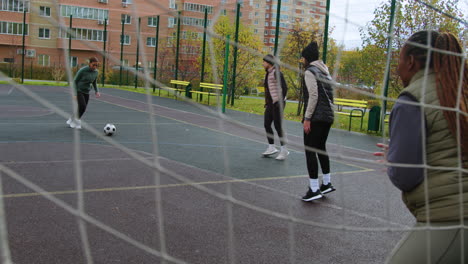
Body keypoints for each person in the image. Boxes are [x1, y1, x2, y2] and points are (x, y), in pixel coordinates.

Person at [375, 30, 468, 263]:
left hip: (453, 217)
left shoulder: (412, 99)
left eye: (398, 60)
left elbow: (406, 175)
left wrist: (393, 160)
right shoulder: (460, 89)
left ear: (411, 61)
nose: (397, 68)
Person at [300, 41, 336, 202]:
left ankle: (314, 188)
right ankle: (326, 183)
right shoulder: (325, 71)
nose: (302, 62)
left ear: (307, 58)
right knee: (321, 148)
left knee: (310, 150)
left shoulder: (310, 71)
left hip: (316, 117)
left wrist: (307, 118)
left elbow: (313, 96)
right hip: (328, 116)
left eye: (302, 59)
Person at [261, 54, 289, 160]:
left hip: (278, 103)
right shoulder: (268, 74)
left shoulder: (277, 73)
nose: (263, 63)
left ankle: (284, 150)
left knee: (278, 126)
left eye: (264, 62)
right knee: (267, 124)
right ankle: (271, 147)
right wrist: (268, 102)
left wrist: (280, 101)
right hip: (271, 104)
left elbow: (284, 88)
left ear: (269, 63)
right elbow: (268, 90)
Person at [66, 57, 101, 129]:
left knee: (81, 108)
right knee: (83, 106)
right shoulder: (82, 70)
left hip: (87, 91)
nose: (95, 67)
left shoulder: (96, 72)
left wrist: (96, 91)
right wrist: (75, 94)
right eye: (93, 65)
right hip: (79, 90)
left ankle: (72, 118)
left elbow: (94, 82)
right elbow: (75, 81)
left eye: (96, 65)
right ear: (89, 63)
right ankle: (76, 121)